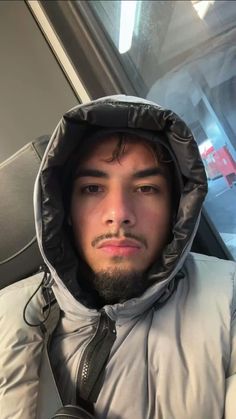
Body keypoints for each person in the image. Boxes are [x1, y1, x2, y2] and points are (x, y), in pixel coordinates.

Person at [1, 95, 235, 419]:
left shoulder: (229, 300)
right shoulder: (6, 314)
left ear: (176, 210)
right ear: (64, 209)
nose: (119, 214)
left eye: (146, 188)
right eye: (93, 188)